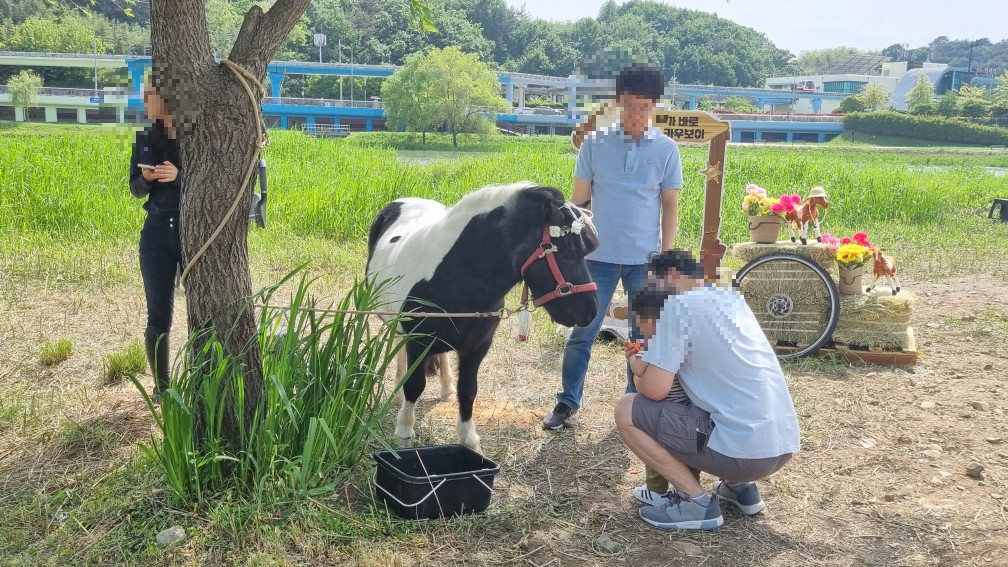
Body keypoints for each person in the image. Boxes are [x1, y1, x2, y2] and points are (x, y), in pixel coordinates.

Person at [614, 249, 801, 531]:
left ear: (673, 276)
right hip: (781, 445)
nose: (654, 293)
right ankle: (739, 488)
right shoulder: (733, 299)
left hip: (742, 454)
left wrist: (635, 367)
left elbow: (654, 391)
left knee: (626, 409)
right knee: (709, 392)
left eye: (655, 283)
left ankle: (695, 502)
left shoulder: (677, 307)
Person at [543, 63, 684, 430]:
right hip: (598, 260)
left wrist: (665, 255)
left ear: (655, 106)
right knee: (582, 332)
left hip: (644, 260)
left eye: (644, 107)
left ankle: (632, 404)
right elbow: (578, 203)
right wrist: (571, 251)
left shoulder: (667, 149)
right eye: (630, 105)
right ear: (618, 102)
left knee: (641, 339)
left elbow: (670, 204)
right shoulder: (595, 144)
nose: (636, 115)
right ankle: (567, 402)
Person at [129, 75, 183, 404]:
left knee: (207, 309)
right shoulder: (145, 136)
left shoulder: (196, 133)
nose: (145, 102)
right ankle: (162, 390)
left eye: (150, 95)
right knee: (158, 315)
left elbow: (214, 179)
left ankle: (206, 379)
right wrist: (147, 179)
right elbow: (134, 189)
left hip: (193, 228)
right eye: (144, 96)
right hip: (156, 231)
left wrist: (180, 176)